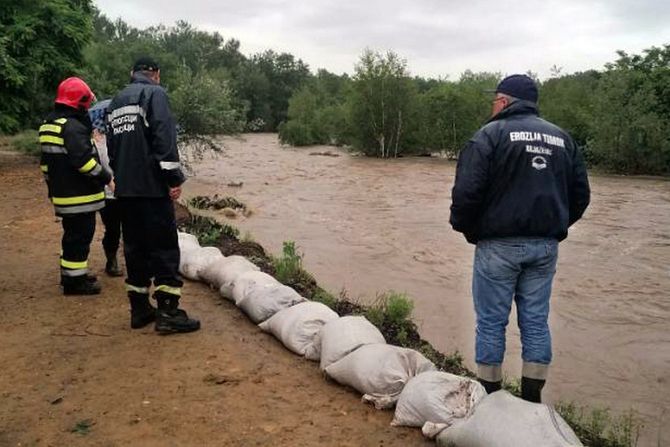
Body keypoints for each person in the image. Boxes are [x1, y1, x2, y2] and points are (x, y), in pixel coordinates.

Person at [449, 74, 590, 403]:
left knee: (491, 322)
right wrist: (555, 226)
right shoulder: (563, 139)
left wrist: (469, 230)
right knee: (536, 321)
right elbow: (581, 196)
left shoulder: (490, 135)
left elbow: (467, 192)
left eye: (495, 98)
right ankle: (531, 399)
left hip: (497, 245)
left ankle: (490, 397)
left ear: (504, 100)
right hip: (544, 247)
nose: (492, 104)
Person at [106, 56, 200, 333]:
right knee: (164, 248)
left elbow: (112, 148)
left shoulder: (116, 102)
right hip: (152, 189)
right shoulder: (154, 94)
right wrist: (173, 179)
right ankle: (169, 313)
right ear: (156, 74)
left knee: (135, 248)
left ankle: (139, 309)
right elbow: (164, 139)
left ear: (131, 72)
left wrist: (121, 177)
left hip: (126, 190)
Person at [39, 77, 114, 295]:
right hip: (79, 196)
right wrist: (106, 178)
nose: (88, 106)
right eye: (86, 102)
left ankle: (73, 274)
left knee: (72, 236)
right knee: (80, 237)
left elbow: (45, 164)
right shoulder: (72, 127)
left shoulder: (49, 124)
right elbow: (84, 162)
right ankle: (75, 284)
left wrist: (52, 189)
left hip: (63, 193)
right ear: (79, 102)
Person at [89, 99, 123, 277]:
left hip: (128, 190)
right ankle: (111, 260)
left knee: (133, 227)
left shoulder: (126, 136)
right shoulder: (95, 141)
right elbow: (94, 167)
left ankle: (135, 260)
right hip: (107, 194)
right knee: (113, 229)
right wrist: (109, 182)